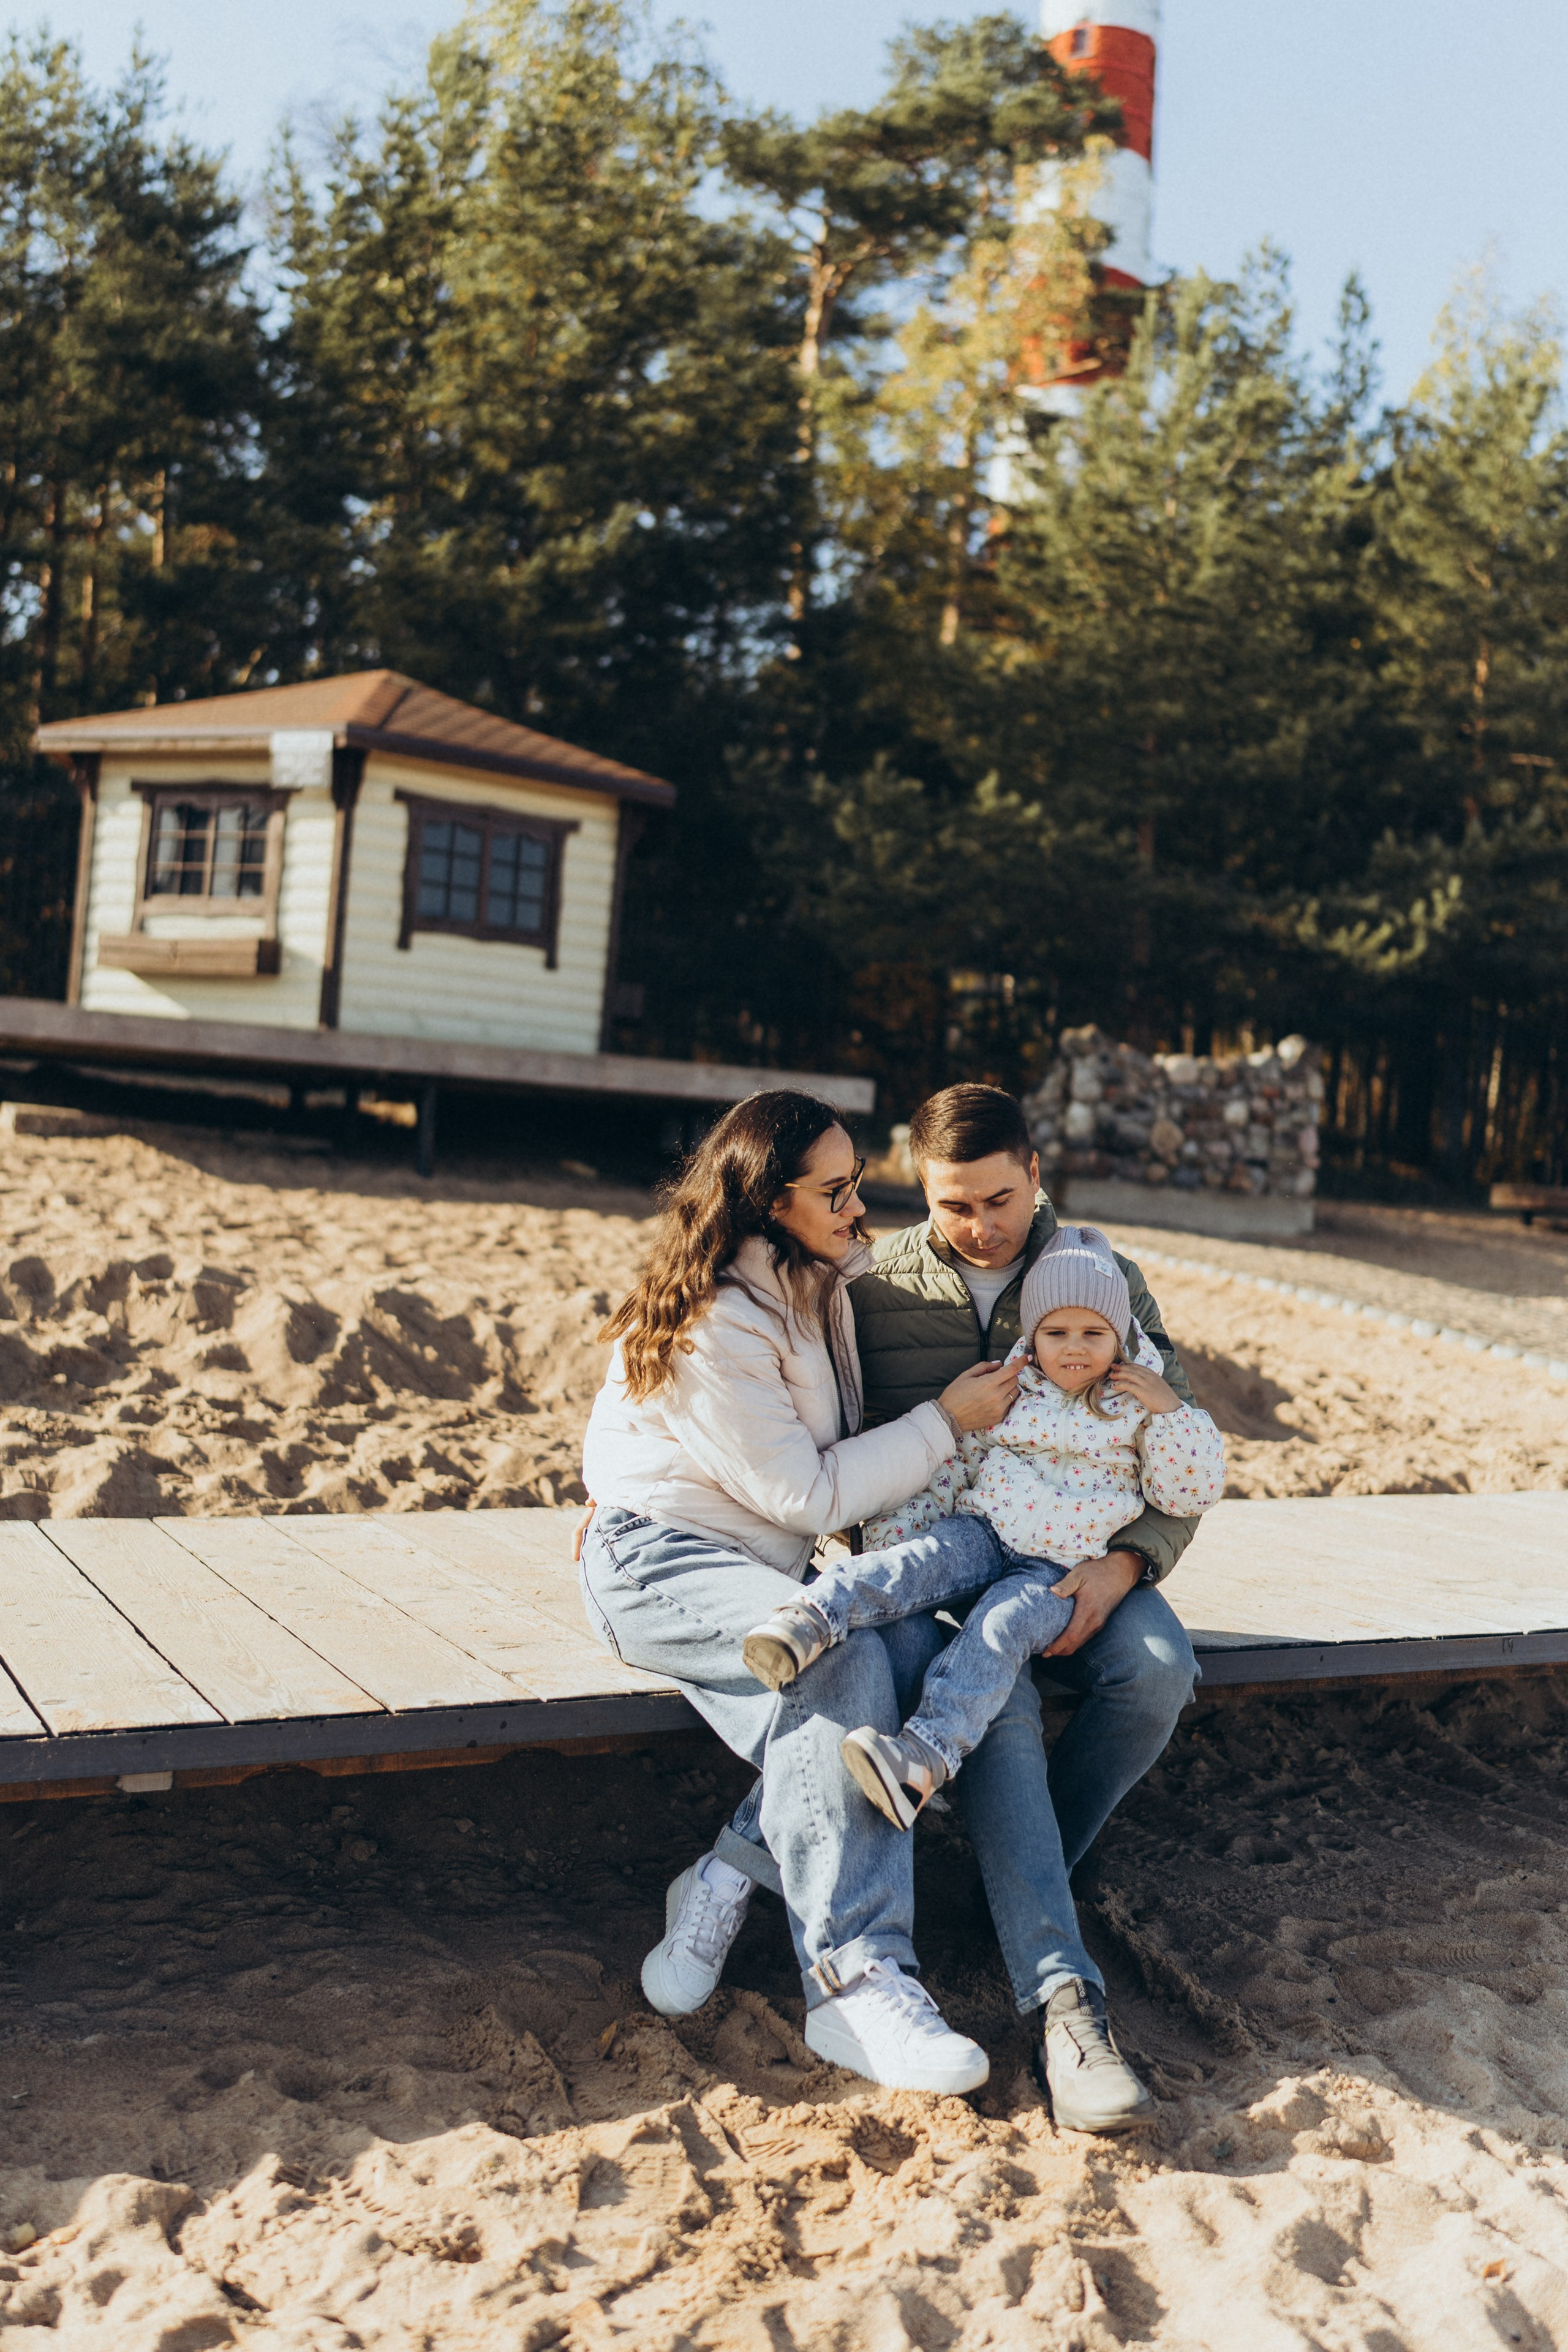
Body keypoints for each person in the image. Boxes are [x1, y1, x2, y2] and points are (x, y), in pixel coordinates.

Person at [648, 1083, 1202, 2134]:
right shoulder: (870, 1282)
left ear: (1036, 1175)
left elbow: (1178, 1450)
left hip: (1074, 1564)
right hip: (923, 1565)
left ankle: (1005, 1876)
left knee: (1160, 1670)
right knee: (991, 1714)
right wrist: (619, 1492)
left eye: (999, 1199)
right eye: (953, 1205)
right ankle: (1058, 1987)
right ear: (924, 1190)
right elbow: (737, 1389)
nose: (980, 1225)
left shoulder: (1102, 1280)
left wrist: (1130, 1564)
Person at [577, 1088, 1024, 2095]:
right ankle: (856, 1983)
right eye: (835, 1189)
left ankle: (734, 1866)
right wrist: (948, 1423)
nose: (858, 1204)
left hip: (763, 1572)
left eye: (858, 1181)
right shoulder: (715, 1319)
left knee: (911, 1655)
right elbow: (803, 1490)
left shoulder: (815, 1279)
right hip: (656, 1562)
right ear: (768, 1201)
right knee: (846, 1654)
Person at [742, 1224, 1225, 1830]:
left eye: (1093, 1334)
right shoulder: (1013, 1386)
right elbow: (959, 1465)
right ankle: (809, 1621)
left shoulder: (1138, 1402)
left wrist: (1170, 1414)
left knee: (996, 1634)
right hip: (983, 1529)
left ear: (1120, 1336)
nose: (1073, 1348)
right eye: (1056, 1333)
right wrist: (905, 1532)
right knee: (912, 1565)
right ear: (1032, 1335)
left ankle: (921, 1758)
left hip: (1058, 1571)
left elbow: (1189, 1491)